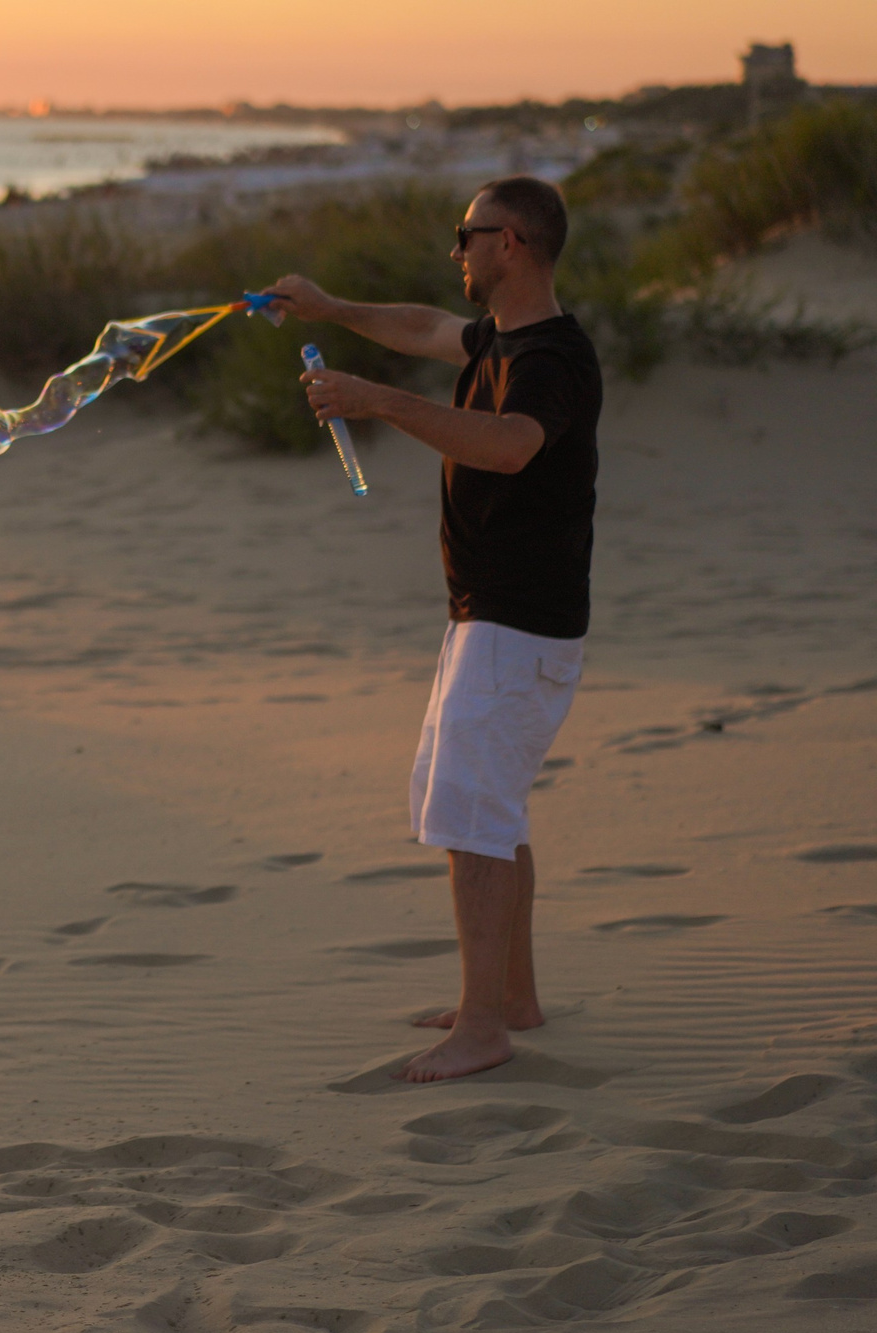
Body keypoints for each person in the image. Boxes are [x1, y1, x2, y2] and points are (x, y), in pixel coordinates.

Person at [263, 175, 601, 1083]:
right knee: (491, 805)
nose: (457, 249)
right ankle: (512, 999)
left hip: (519, 623)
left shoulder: (553, 360)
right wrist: (332, 307)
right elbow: (421, 327)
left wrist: (378, 403)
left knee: (471, 813)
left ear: (514, 243)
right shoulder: (504, 337)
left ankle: (483, 1028)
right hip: (487, 616)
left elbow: (507, 445)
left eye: (469, 234)